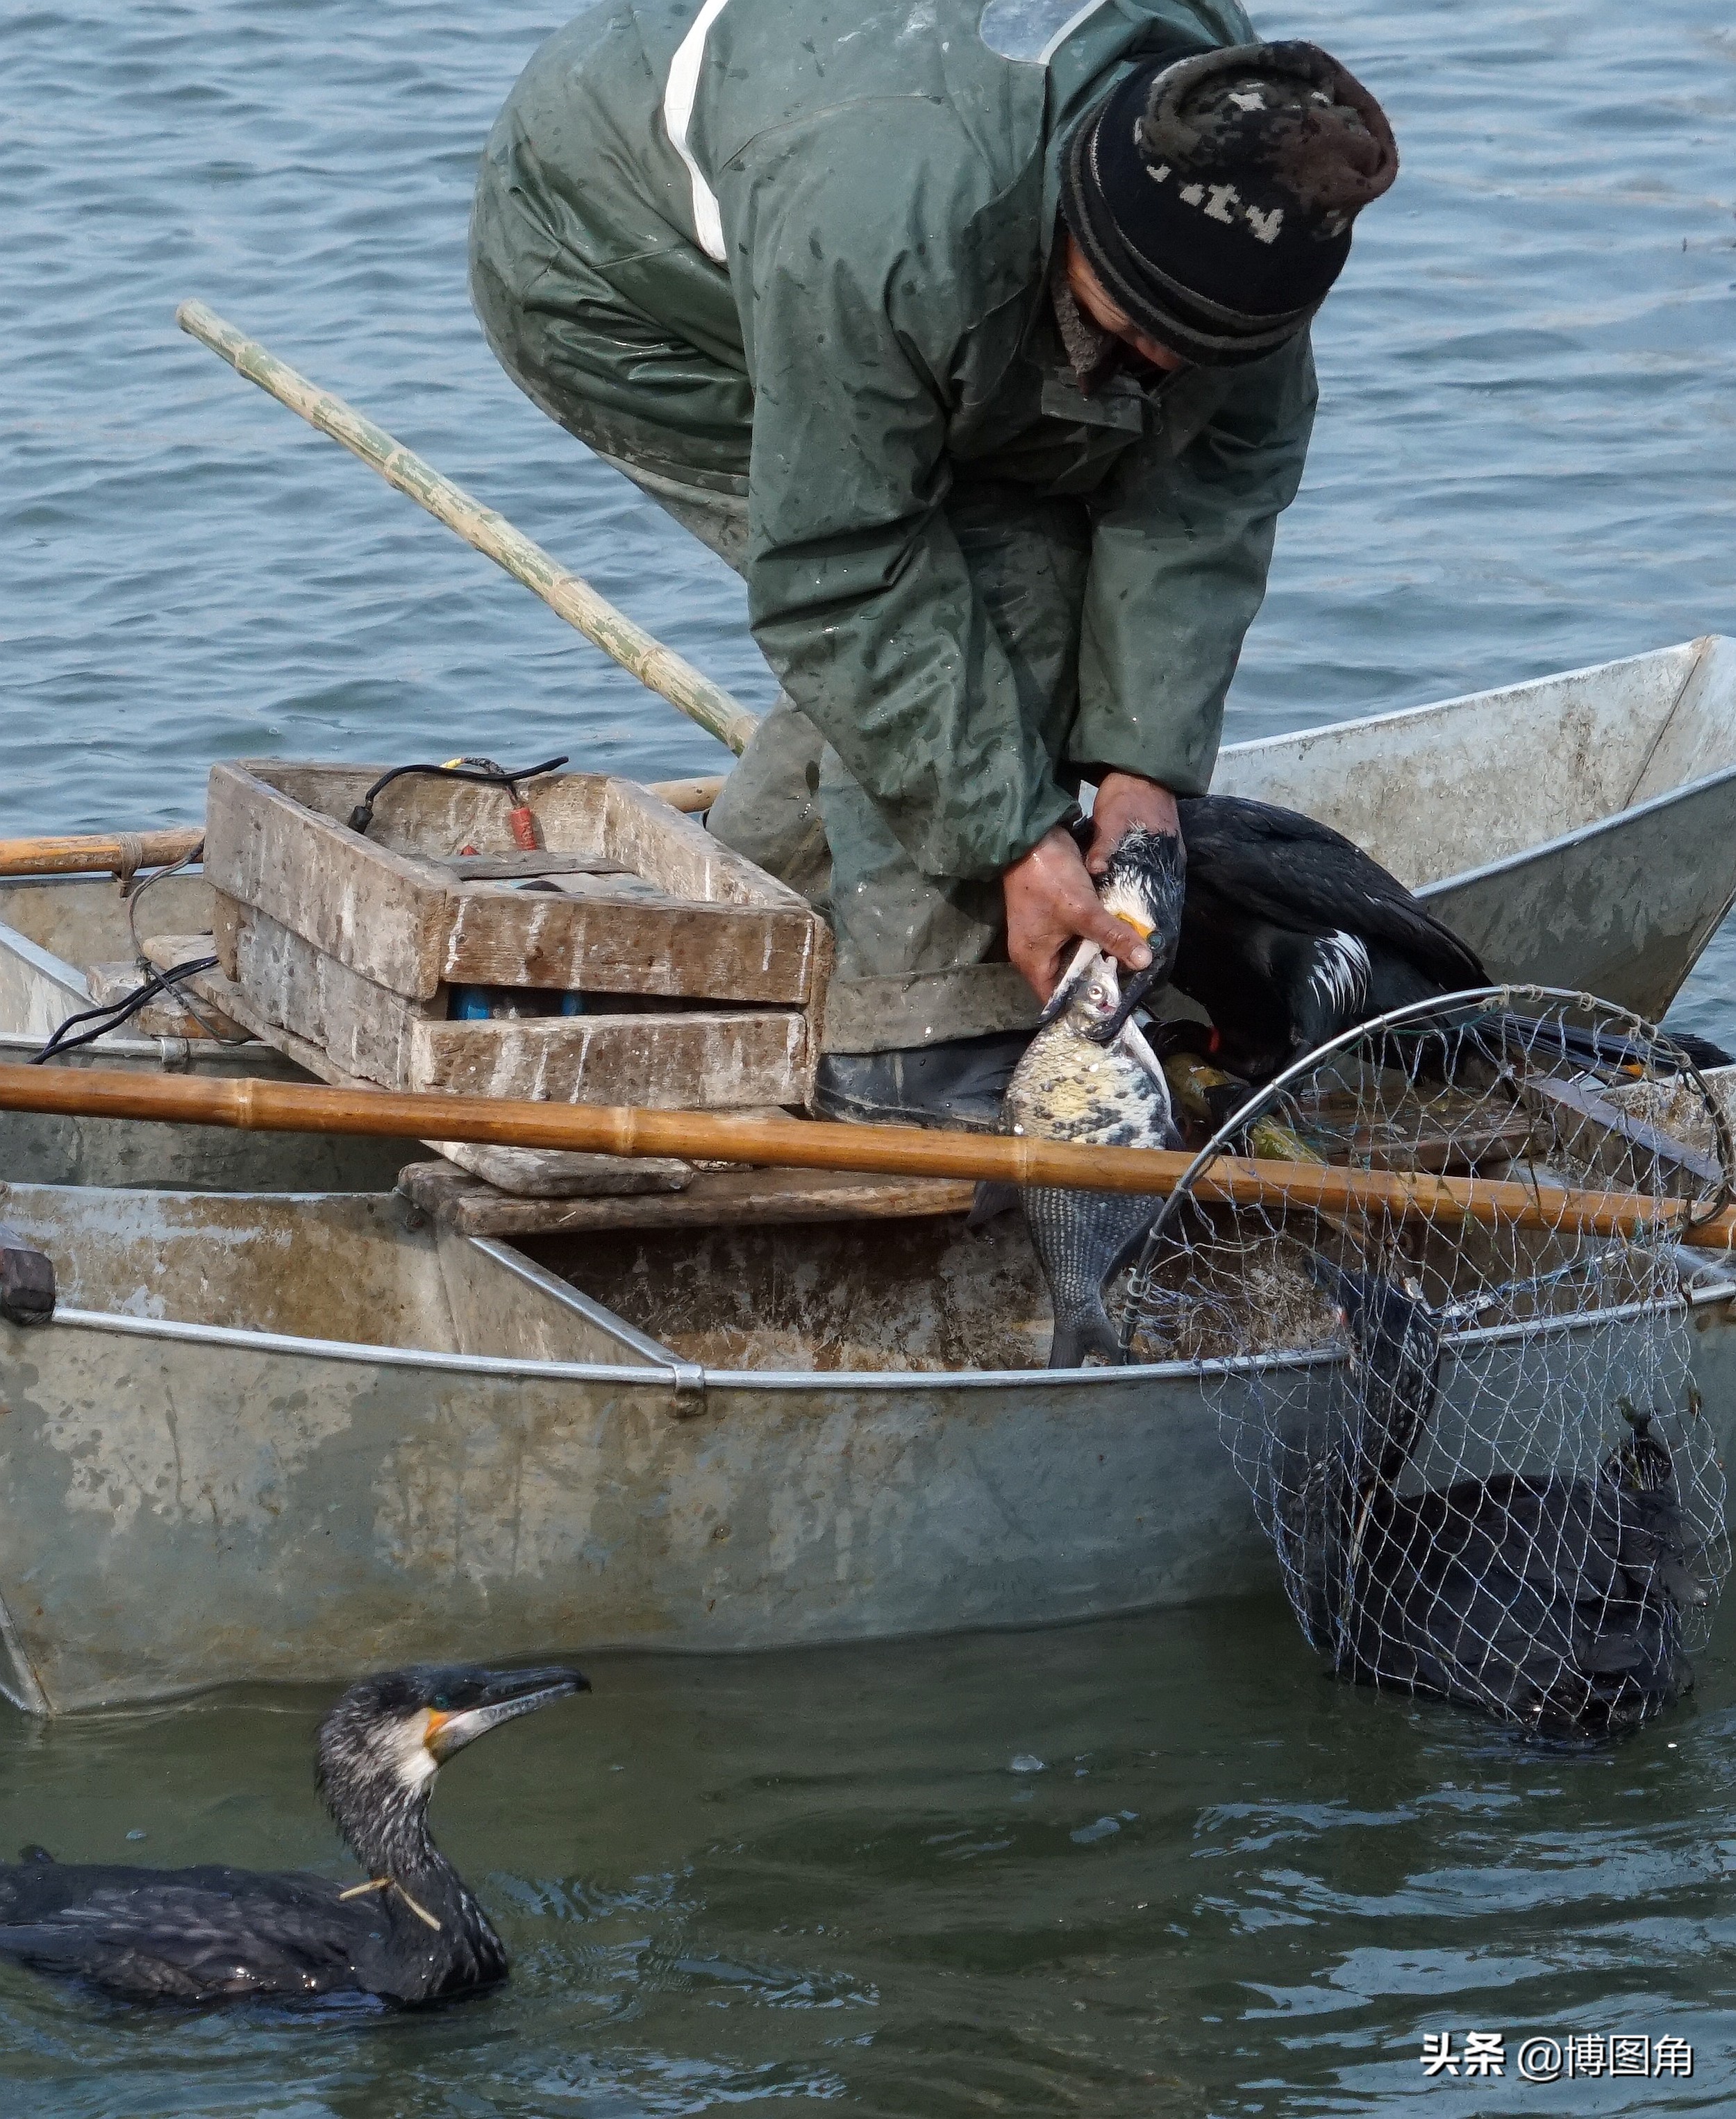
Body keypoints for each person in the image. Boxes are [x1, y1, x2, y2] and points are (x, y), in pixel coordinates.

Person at [471, 0, 1396, 1125]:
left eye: (1194, 351)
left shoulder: (1257, 166)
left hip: (885, 198)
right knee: (1000, 577)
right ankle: (910, 1042)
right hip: (615, 260)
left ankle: (743, 938)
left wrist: (1141, 770)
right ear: (1076, 210)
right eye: (1128, 329)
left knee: (1043, 555)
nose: (1154, 367)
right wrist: (1014, 836)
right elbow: (848, 567)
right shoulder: (880, 223)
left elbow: (1213, 479)